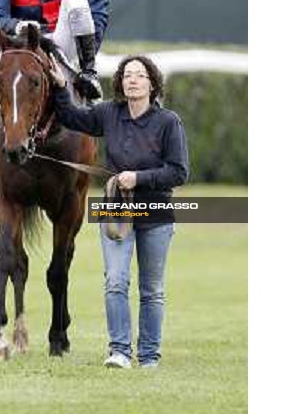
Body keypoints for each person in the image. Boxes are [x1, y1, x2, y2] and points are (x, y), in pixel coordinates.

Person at [48, 54, 189, 369]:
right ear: (121, 83)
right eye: (127, 75)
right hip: (115, 212)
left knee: (151, 289)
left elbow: (179, 173)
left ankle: (149, 356)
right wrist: (60, 87)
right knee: (115, 280)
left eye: (139, 75)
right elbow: (71, 116)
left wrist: (138, 178)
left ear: (152, 83)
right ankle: (120, 352)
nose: (132, 80)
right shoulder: (109, 113)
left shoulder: (168, 121)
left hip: (155, 215)